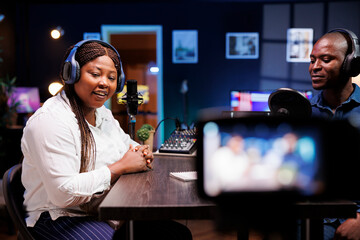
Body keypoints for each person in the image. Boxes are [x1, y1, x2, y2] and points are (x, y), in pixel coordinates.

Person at [21, 39, 192, 240]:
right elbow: (63, 193)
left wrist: (140, 151)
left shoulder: (102, 113)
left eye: (112, 77)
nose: (104, 82)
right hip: (56, 216)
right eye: (95, 74)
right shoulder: (50, 121)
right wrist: (119, 167)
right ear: (72, 73)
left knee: (177, 234)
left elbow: (126, 144)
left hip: (100, 209)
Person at [309, 28, 360, 240]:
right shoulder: (304, 114)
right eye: (312, 60)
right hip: (310, 218)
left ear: (350, 64)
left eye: (326, 59)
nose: (314, 67)